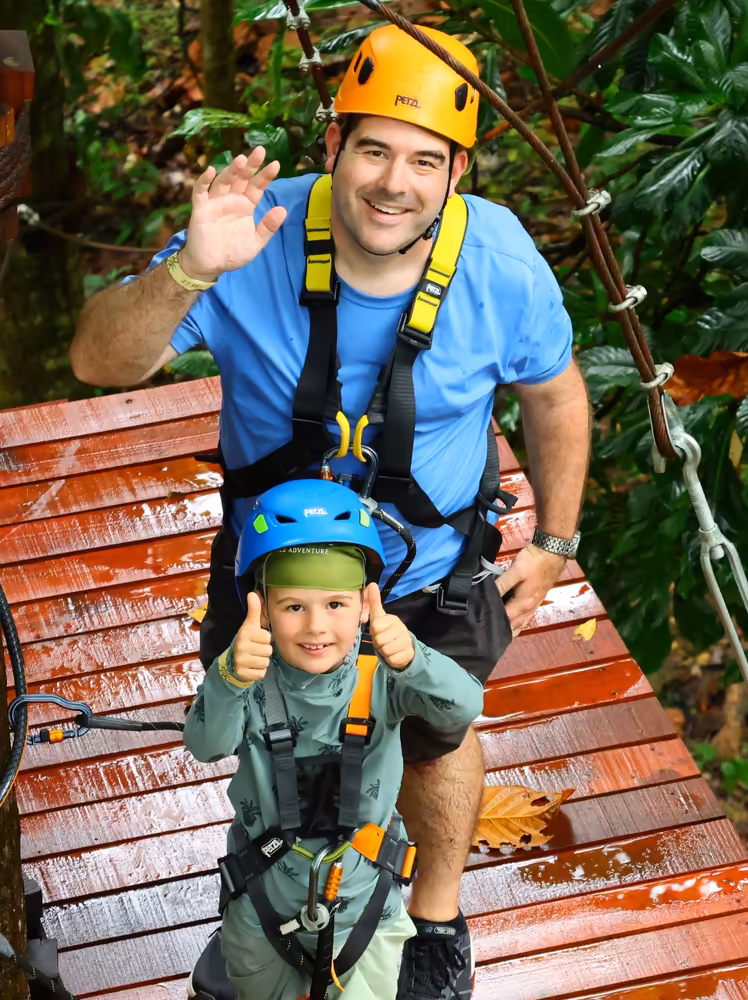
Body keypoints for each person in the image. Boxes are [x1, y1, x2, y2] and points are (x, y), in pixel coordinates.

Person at [70, 22, 590, 999]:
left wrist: (555, 540)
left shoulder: (501, 262)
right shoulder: (254, 233)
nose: (396, 182)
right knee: (269, 733)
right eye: (375, 150)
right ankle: (274, 890)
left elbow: (554, 394)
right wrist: (191, 270)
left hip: (426, 568)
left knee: (430, 736)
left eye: (426, 161)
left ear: (457, 172)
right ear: (333, 149)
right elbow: (98, 361)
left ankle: (432, 921)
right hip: (277, 572)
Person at [183, 479, 484, 1000]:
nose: (316, 627)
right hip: (263, 901)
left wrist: (414, 659)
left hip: (365, 906)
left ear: (367, 602)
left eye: (337, 605)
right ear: (262, 605)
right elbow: (205, 744)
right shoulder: (249, 679)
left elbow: (463, 706)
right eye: (293, 607)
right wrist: (228, 678)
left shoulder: (383, 677)